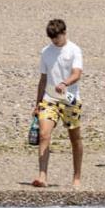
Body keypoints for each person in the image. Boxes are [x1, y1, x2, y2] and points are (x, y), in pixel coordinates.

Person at [31, 18, 85, 188]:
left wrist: (65, 83)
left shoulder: (74, 50)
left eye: (57, 37)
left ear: (64, 33)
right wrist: (37, 103)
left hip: (70, 99)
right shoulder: (46, 52)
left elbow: (77, 73)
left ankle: (76, 176)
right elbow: (43, 78)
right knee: (44, 134)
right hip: (50, 99)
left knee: (74, 138)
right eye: (52, 38)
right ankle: (42, 176)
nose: (55, 41)